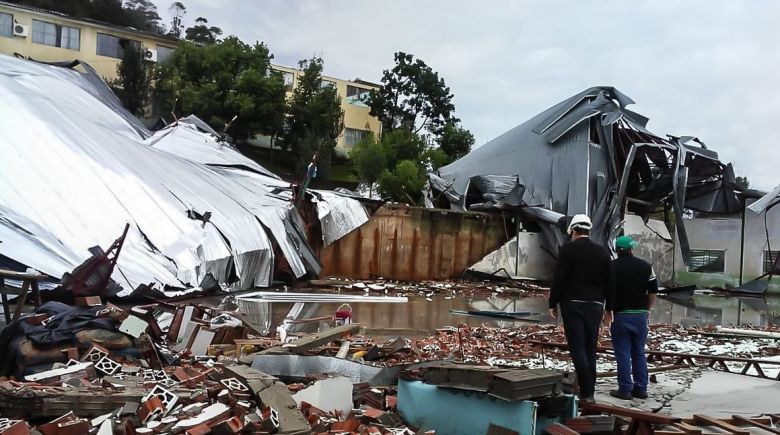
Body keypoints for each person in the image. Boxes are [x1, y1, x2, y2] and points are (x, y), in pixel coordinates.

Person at [549, 214, 615, 403]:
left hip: (572, 304)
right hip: (595, 305)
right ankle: (589, 391)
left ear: (572, 230)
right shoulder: (602, 252)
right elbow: (611, 282)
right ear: (589, 230)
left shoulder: (567, 250)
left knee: (577, 348)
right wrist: (609, 308)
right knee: (590, 348)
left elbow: (559, 278)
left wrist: (552, 303)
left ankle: (587, 392)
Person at [608, 235, 658, 400]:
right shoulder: (645, 266)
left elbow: (606, 292)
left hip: (620, 315)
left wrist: (607, 311)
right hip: (640, 316)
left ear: (617, 250)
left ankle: (625, 389)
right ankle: (641, 388)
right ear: (631, 248)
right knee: (639, 352)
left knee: (622, 353)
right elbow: (653, 291)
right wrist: (647, 308)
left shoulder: (611, 267)